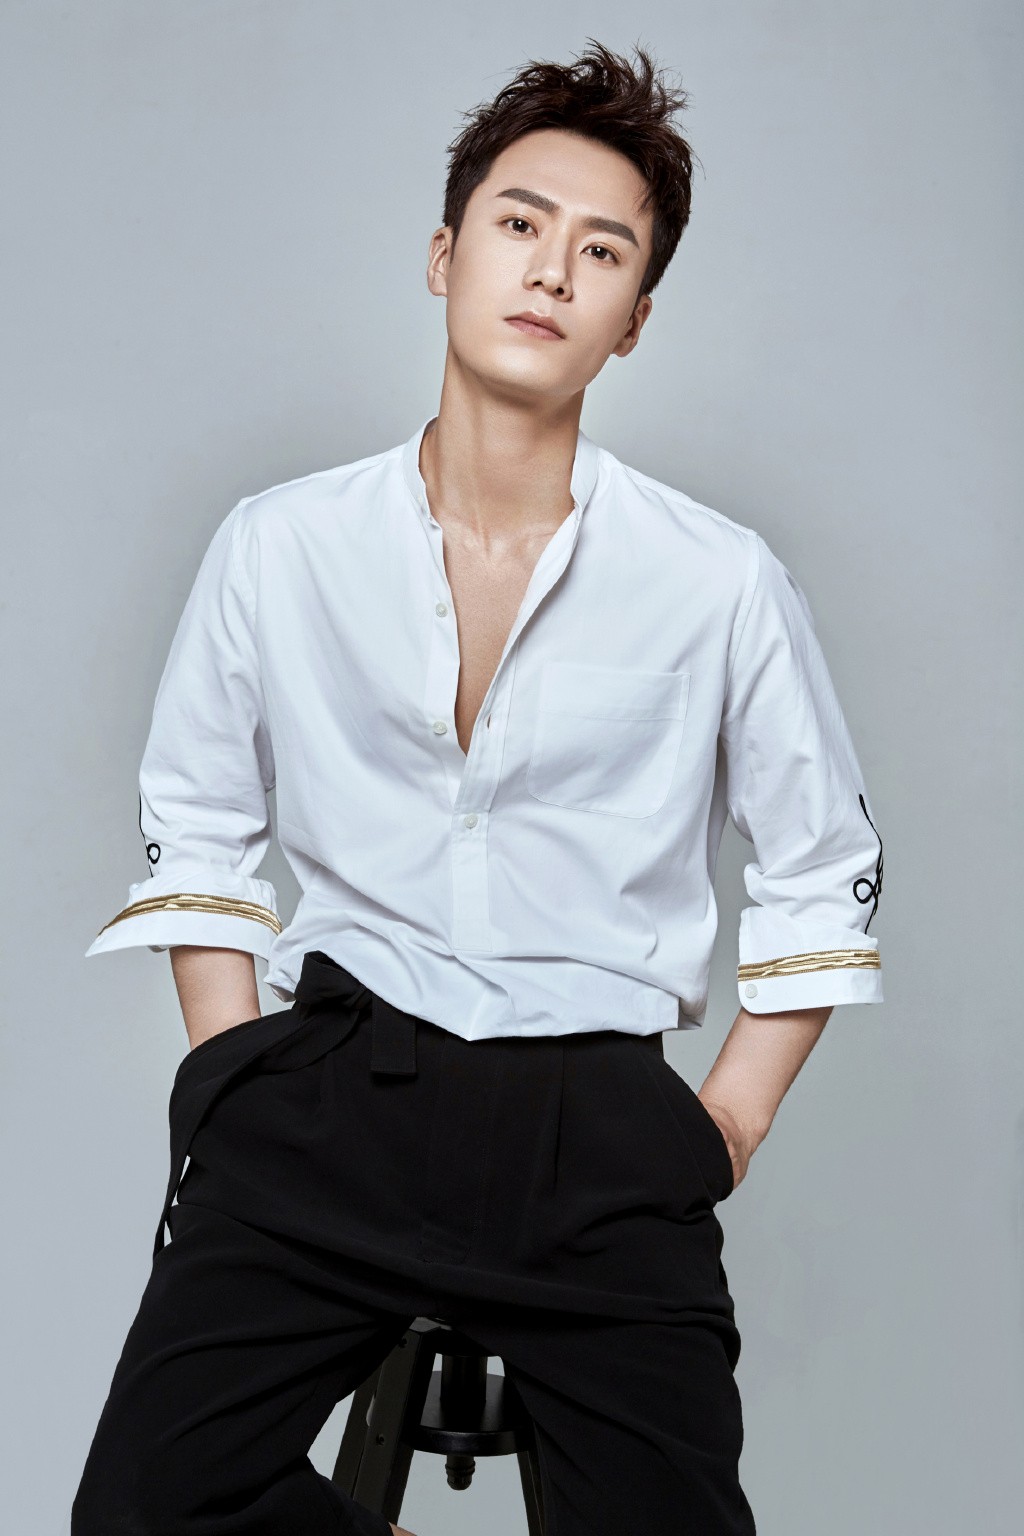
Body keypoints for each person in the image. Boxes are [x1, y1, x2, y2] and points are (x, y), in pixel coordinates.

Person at [71, 38, 884, 1536]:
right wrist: (231, 1076)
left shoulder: (718, 582)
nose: (552, 270)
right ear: (446, 255)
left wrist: (726, 1127)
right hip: (332, 1089)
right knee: (148, 1509)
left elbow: (821, 868)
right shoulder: (280, 546)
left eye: (603, 251)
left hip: (598, 1132)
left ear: (634, 321)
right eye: (520, 223)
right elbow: (199, 822)